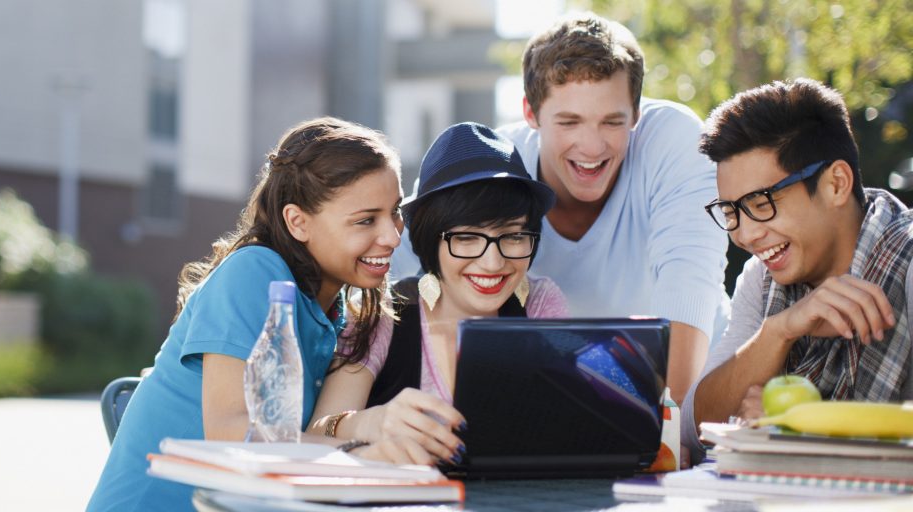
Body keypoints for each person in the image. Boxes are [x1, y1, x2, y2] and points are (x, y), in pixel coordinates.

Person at [397, 13, 730, 406]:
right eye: (569, 122)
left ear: (636, 115)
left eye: (612, 122)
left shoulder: (673, 139)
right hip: (553, 391)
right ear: (531, 114)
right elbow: (403, 267)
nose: (591, 147)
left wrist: (670, 429)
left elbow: (689, 282)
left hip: (691, 388)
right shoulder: (494, 165)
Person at [88, 117, 408, 511]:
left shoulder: (342, 313)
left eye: (395, 212)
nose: (393, 235)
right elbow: (232, 434)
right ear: (298, 222)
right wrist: (369, 450)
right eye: (365, 220)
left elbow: (301, 445)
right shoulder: (255, 271)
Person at [306, 122, 568, 465]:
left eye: (514, 236)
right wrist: (369, 428)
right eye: (466, 238)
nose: (493, 262)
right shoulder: (385, 312)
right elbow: (317, 432)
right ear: (432, 239)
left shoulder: (540, 303)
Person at [683, 78, 913, 458]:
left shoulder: (905, 262)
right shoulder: (761, 279)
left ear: (836, 184)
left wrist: (802, 427)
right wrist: (777, 332)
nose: (745, 234)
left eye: (761, 203)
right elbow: (694, 426)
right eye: (730, 212)